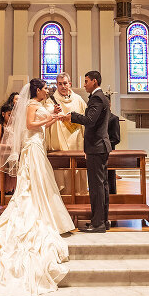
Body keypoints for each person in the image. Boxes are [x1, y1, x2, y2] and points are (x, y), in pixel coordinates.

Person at [0, 79, 74, 296]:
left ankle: (45, 213)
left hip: (38, 145)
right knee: (34, 183)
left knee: (41, 184)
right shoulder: (31, 105)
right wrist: (51, 116)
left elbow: (44, 127)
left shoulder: (39, 105)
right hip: (33, 147)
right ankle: (40, 215)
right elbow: (29, 126)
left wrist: (51, 118)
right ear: (37, 90)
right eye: (45, 88)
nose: (48, 91)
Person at [66, 70, 112, 233]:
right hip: (100, 147)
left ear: (94, 81)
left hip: (96, 147)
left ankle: (98, 223)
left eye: (86, 81)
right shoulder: (101, 97)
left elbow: (90, 121)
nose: (84, 84)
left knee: (96, 186)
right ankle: (103, 220)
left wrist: (72, 116)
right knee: (102, 185)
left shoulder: (97, 98)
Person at [44, 72, 88, 195]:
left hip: (76, 138)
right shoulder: (51, 100)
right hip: (59, 139)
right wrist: (53, 110)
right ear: (56, 85)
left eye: (65, 83)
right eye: (60, 84)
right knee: (62, 167)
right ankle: (63, 195)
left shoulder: (78, 99)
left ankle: (79, 194)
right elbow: (45, 114)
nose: (63, 86)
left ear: (70, 84)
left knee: (77, 167)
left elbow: (86, 116)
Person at [0, 103, 16, 195]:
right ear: (3, 114)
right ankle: (3, 199)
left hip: (12, 155)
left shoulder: (14, 127)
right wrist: (8, 146)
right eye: (9, 115)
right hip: (3, 157)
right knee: (4, 178)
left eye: (13, 116)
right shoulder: (1, 126)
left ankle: (12, 196)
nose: (11, 118)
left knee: (13, 177)